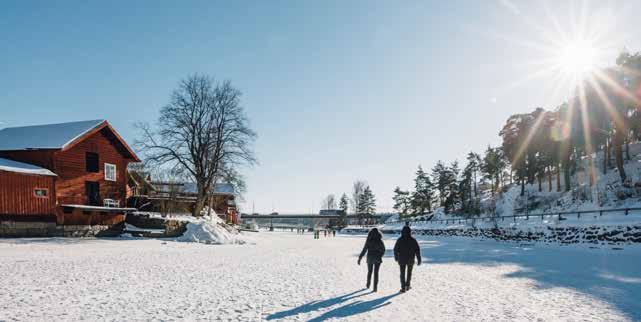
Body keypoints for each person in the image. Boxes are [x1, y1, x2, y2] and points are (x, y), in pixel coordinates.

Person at [393, 225, 421, 293]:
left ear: (402, 232)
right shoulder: (413, 240)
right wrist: (419, 259)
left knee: (402, 273)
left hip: (402, 259)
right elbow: (417, 250)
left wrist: (396, 257)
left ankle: (403, 288)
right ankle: (407, 285)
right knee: (409, 273)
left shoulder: (400, 239)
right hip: (410, 259)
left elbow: (395, 249)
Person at [357, 228, 385, 292]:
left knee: (369, 271)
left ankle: (368, 284)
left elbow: (364, 250)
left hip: (370, 257)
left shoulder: (369, 240)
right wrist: (380, 255)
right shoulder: (380, 240)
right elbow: (383, 249)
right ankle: (375, 288)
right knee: (376, 273)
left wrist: (360, 258)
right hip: (377, 258)